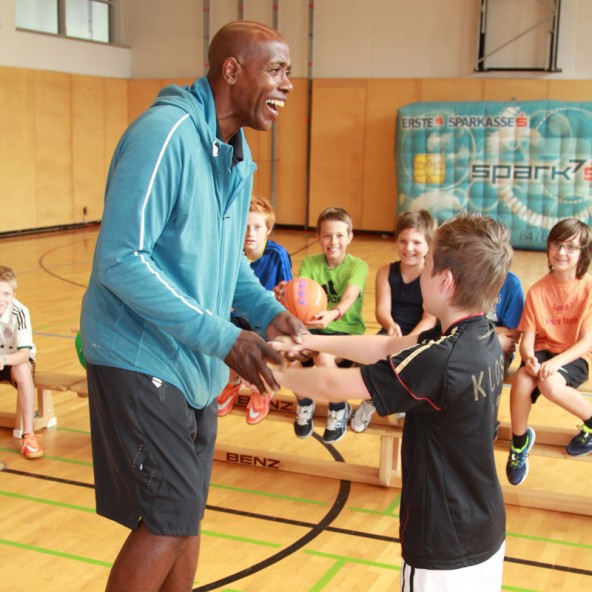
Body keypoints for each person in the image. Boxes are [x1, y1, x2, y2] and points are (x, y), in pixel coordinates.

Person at [80, 21, 304, 592]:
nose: (289, 84)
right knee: (170, 515)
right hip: (137, 355)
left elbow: (225, 262)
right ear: (232, 70)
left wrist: (263, 308)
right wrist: (224, 337)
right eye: (276, 69)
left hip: (193, 363)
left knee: (186, 514)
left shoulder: (235, 153)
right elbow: (121, 260)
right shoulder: (166, 134)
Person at [271, 214, 510, 591]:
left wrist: (273, 376)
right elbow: (386, 345)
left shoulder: (439, 360)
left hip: (443, 541)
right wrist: (312, 341)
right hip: (484, 526)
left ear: (445, 281)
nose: (421, 270)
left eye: (428, 264)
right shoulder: (479, 337)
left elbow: (336, 382)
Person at [506, 218, 592, 487]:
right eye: (556, 244)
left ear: (583, 253)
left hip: (575, 355)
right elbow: (527, 341)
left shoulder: (588, 288)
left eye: (570, 247)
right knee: (521, 380)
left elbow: (587, 341)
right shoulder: (538, 290)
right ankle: (520, 443)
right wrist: (529, 357)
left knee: (550, 383)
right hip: (544, 352)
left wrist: (555, 364)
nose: (561, 252)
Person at [351, 209, 437, 432]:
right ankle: (371, 401)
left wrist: (409, 340)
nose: (409, 248)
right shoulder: (385, 272)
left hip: (422, 335)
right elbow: (381, 309)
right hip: (392, 332)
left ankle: (400, 400)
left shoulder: (432, 274)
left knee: (415, 364)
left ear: (428, 245)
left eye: (416, 242)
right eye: (403, 241)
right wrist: (389, 325)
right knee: (370, 360)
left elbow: (429, 317)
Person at [293, 207, 368, 443]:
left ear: (349, 237)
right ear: (317, 237)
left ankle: (338, 407)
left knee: (323, 357)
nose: (333, 241)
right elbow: (302, 295)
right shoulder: (310, 262)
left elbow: (348, 297)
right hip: (315, 330)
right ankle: (305, 403)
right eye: (327, 235)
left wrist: (333, 314)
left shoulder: (358, 266)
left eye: (339, 235)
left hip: (346, 334)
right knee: (286, 354)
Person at [217, 195, 293, 424]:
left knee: (264, 344)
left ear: (268, 230)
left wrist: (282, 295)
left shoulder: (277, 254)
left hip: (263, 321)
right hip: (237, 317)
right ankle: (233, 382)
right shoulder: (230, 253)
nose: (250, 233)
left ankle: (262, 388)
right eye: (245, 226)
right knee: (221, 336)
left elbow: (287, 295)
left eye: (257, 227)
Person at [0, 265, 42, 459]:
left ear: (14, 294)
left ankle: (29, 435)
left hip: (15, 360)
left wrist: (4, 359)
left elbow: (24, 354)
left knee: (23, 369)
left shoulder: (20, 312)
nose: (1, 298)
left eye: (6, 293)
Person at [486, 270, 525, 371]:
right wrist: (495, 337)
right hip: (469, 345)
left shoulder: (512, 283)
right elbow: (456, 326)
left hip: (498, 351)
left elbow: (513, 334)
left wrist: (471, 330)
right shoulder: (465, 275)